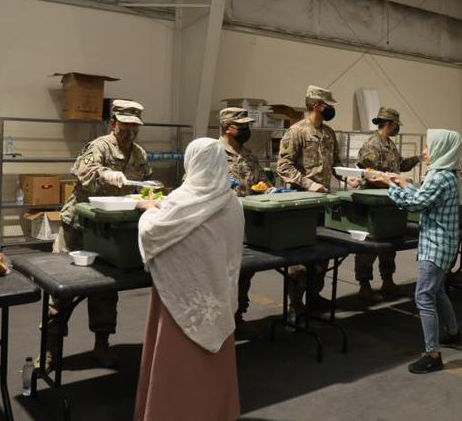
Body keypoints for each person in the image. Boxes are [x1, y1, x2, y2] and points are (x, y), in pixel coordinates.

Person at [134, 138, 242, 420]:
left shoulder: (182, 201)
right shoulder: (232, 202)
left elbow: (153, 233)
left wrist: (148, 212)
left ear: (190, 162)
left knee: (176, 366)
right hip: (217, 296)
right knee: (212, 367)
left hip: (181, 300)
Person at [50, 100, 152, 368]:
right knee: (60, 289)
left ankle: (102, 345)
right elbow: (85, 171)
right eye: (124, 125)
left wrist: (149, 194)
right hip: (79, 226)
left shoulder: (140, 154)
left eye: (134, 126)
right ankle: (50, 349)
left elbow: (144, 186)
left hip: (109, 231)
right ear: (113, 123)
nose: (129, 131)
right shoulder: (99, 146)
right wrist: (105, 173)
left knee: (105, 289)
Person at [370, 130, 462, 374]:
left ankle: (432, 354)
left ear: (442, 149)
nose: (424, 151)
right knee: (438, 291)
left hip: (435, 246)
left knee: (423, 296)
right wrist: (404, 183)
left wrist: (390, 186)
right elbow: (425, 198)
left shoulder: (439, 178)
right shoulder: (449, 175)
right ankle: (454, 334)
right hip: (446, 245)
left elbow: (415, 204)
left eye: (429, 146)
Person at [277, 85, 359, 320]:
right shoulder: (296, 132)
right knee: (299, 258)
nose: (331, 109)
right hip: (301, 203)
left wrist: (347, 177)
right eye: (327, 105)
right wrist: (308, 183)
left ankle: (314, 296)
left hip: (323, 203)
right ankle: (295, 303)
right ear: (316, 105)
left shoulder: (329, 133)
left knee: (322, 253)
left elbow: (335, 164)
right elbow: (283, 166)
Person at [354, 107, 420, 302]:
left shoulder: (389, 145)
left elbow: (401, 165)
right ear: (390, 124)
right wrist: (392, 181)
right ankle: (364, 285)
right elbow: (369, 173)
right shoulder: (372, 145)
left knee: (389, 242)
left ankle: (387, 280)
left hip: (389, 199)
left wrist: (418, 158)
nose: (397, 128)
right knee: (370, 245)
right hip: (373, 201)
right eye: (396, 125)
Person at [219, 107, 270, 335]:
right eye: (243, 127)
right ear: (228, 127)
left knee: (244, 272)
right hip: (220, 226)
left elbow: (262, 182)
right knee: (220, 276)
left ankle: (238, 316)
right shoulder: (213, 153)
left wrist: (268, 189)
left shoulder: (249, 155)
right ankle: (220, 322)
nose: (247, 130)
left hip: (246, 226)